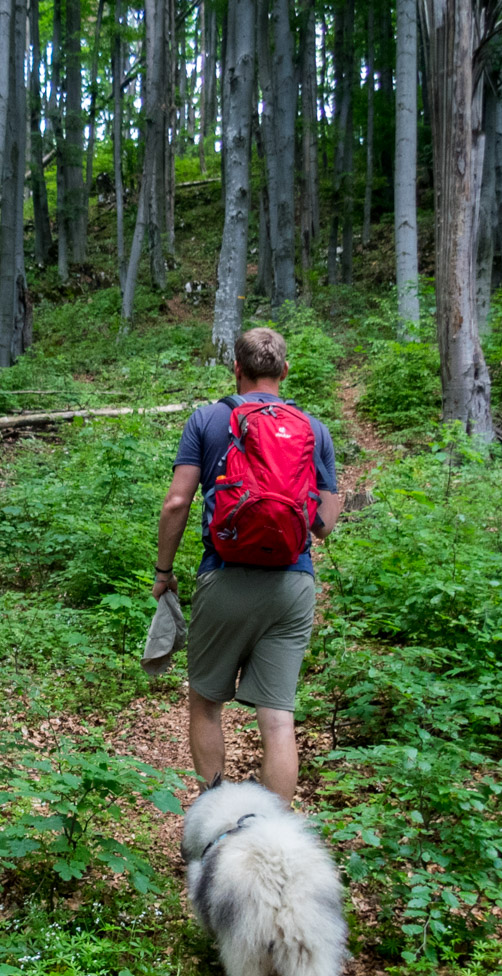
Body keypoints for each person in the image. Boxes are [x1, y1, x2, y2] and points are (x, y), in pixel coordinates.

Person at [152, 327, 342, 803]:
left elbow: (177, 502)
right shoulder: (313, 429)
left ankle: (215, 824)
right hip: (293, 582)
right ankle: (271, 840)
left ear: (235, 368)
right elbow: (323, 525)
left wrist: (163, 571)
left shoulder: (208, 420)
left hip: (225, 574)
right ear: (285, 370)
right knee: (278, 719)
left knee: (206, 701)